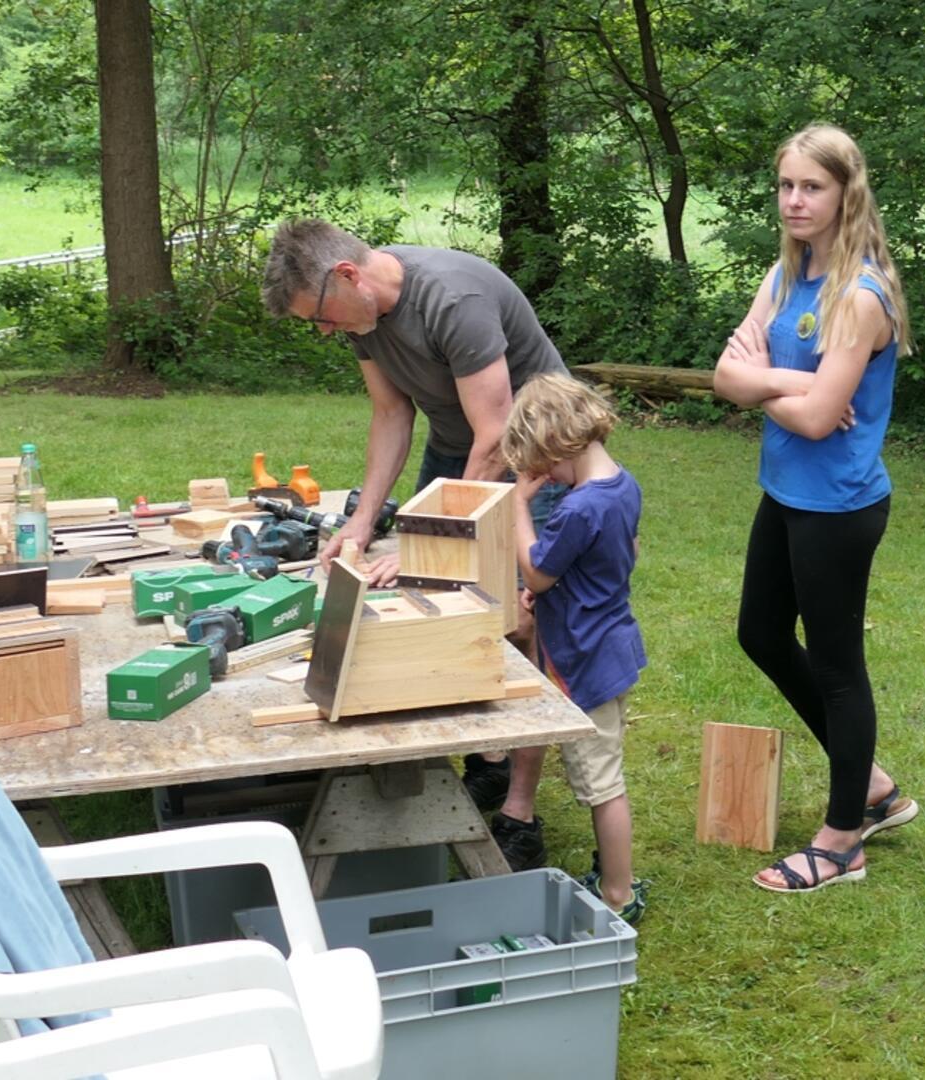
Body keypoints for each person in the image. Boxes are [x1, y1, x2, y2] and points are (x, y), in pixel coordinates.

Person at [260, 218, 567, 860]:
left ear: (348, 276)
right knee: (440, 602)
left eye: (320, 317)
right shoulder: (362, 318)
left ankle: (521, 809)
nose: (322, 332)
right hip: (459, 451)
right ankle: (488, 753)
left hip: (541, 457)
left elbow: (499, 436)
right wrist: (363, 524)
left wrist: (432, 540)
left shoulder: (451, 299)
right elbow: (391, 414)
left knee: (523, 616)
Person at [711, 124, 919, 893]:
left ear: (845, 194)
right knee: (759, 633)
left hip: (838, 506)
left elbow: (789, 402)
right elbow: (726, 379)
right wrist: (799, 387)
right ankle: (869, 785)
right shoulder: (784, 273)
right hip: (786, 489)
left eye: (812, 187)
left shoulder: (862, 296)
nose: (795, 200)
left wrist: (770, 383)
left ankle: (842, 842)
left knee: (837, 668)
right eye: (787, 185)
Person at [501, 374, 648, 922]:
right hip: (610, 640)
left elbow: (537, 572)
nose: (546, 478)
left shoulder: (578, 508)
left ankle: (617, 894)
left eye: (546, 466)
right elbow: (620, 552)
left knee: (601, 784)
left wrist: (519, 502)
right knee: (603, 769)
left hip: (585, 659)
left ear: (561, 444)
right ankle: (616, 879)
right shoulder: (623, 484)